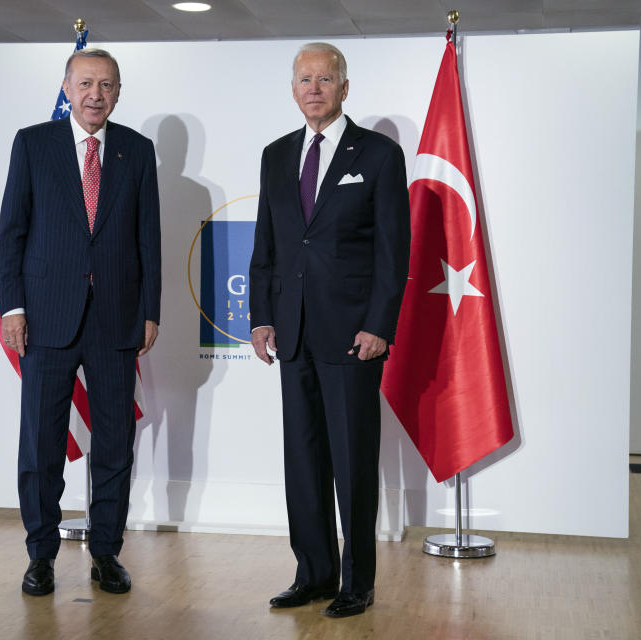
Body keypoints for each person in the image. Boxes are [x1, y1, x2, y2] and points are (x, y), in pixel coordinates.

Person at [248, 42, 410, 618]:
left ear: (345, 87)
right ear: (293, 89)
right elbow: (266, 242)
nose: (313, 88)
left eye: (325, 78)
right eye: (304, 79)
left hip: (351, 338)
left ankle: (356, 582)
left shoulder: (380, 155)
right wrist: (261, 315)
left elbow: (395, 253)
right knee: (305, 461)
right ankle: (312, 574)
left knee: (352, 463)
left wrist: (379, 326)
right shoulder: (275, 154)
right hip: (291, 333)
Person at [0, 48, 161, 597]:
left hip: (115, 319)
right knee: (41, 443)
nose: (96, 94)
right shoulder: (33, 143)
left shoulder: (137, 151)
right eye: (86, 83)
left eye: (107, 85)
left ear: (119, 92)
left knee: (115, 444)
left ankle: (106, 553)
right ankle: (40, 554)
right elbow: (12, 232)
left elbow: (148, 240)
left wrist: (150, 312)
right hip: (46, 319)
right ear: (66, 87)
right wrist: (14, 308)